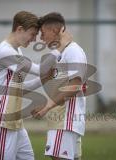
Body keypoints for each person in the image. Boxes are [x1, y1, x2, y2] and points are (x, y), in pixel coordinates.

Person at [0, 11, 72, 160]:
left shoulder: (16, 51)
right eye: (32, 34)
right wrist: (60, 48)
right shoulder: (5, 52)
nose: (33, 39)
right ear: (19, 29)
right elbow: (40, 70)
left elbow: (20, 88)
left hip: (14, 120)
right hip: (3, 120)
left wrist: (43, 80)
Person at [32, 12, 88, 160]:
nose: (41, 39)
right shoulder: (62, 52)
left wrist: (46, 107)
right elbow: (42, 72)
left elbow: (75, 85)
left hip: (65, 120)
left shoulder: (73, 51)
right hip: (63, 120)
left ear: (55, 31)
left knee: (57, 157)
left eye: (43, 34)